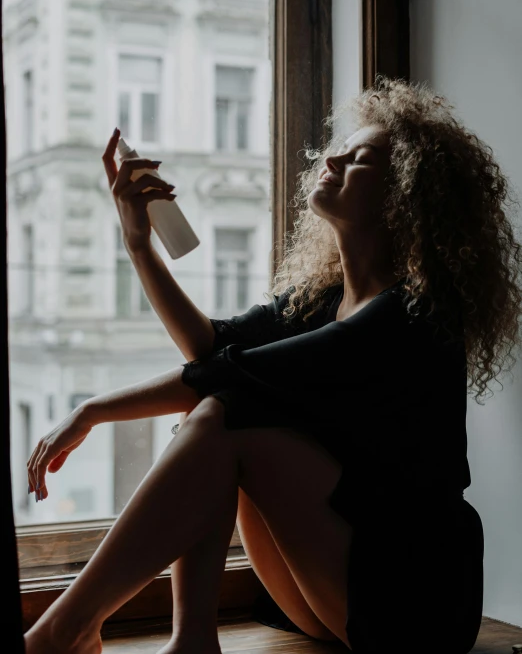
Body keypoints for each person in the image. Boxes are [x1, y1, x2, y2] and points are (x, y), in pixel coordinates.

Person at [24, 77, 521, 654]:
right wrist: (140, 245)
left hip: (418, 601)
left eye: (360, 159)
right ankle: (185, 638)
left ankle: (69, 630)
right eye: (340, 148)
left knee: (222, 416)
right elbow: (213, 350)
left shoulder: (412, 315)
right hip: (334, 587)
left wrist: (91, 410)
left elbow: (229, 378)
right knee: (214, 418)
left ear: (404, 197)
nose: (331, 157)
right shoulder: (322, 300)